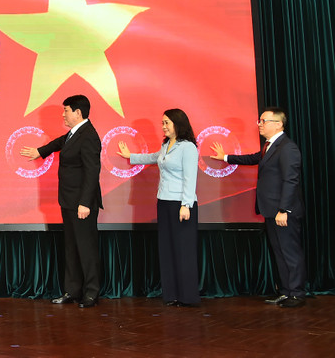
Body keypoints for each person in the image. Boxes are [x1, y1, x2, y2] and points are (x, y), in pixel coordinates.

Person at [210, 107, 305, 307]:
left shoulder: (287, 148)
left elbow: (291, 181)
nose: (260, 124)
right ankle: (286, 291)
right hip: (271, 210)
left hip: (283, 212)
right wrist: (226, 157)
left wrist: (284, 210)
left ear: (278, 124)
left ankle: (296, 293)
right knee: (279, 251)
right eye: (259, 120)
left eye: (264, 120)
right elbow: (254, 158)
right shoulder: (270, 146)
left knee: (290, 252)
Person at [20, 95, 103, 308]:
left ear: (78, 112)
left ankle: (91, 293)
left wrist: (85, 203)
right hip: (68, 200)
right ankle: (72, 290)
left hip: (81, 204)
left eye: (66, 110)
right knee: (71, 247)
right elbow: (61, 142)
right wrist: (41, 151)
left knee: (86, 248)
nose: (63, 114)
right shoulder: (75, 133)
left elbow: (92, 172)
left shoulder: (89, 136)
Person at [117, 109, 200, 307]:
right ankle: (172, 295)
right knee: (168, 249)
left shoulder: (187, 147)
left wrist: (186, 204)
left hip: (181, 205)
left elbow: (190, 178)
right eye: (162, 123)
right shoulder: (166, 144)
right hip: (163, 202)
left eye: (167, 123)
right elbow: (155, 157)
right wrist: (132, 156)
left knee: (183, 250)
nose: (163, 127)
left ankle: (187, 296)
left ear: (178, 123)